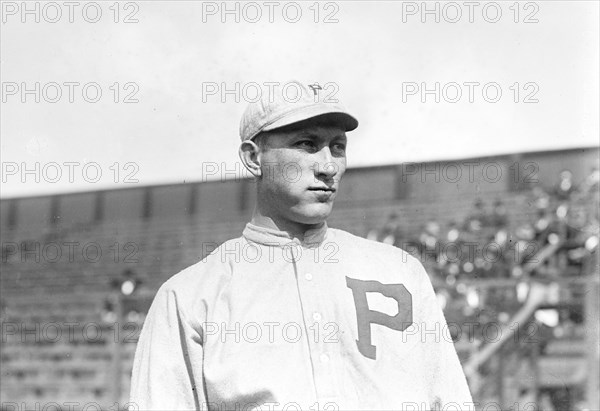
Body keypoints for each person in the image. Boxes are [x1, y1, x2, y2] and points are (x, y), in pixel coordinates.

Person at [129, 81, 473, 410]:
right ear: (253, 158)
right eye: (307, 144)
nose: (327, 167)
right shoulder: (190, 297)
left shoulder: (399, 270)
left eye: (337, 147)